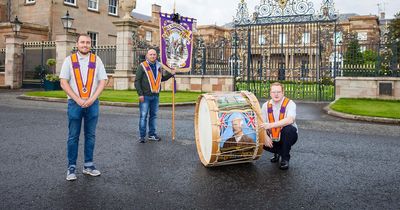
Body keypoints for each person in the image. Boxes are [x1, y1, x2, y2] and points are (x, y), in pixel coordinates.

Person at [59, 34, 108, 181]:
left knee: (90, 135)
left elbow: (103, 81)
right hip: (75, 103)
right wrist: (78, 99)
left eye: (88, 42)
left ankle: (88, 166)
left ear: (91, 44)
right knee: (73, 136)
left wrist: (92, 98)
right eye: (82, 42)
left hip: (93, 104)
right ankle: (71, 168)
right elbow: (63, 82)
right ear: (77, 44)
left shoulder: (96, 60)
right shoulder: (69, 60)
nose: (85, 45)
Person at [134, 49, 174, 143]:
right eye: (151, 54)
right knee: (143, 116)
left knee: (153, 116)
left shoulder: (159, 66)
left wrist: (170, 74)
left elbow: (161, 79)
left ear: (156, 56)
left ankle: (152, 135)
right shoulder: (142, 66)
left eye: (154, 54)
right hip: (145, 96)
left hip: (155, 96)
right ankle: (142, 136)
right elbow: (137, 81)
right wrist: (140, 94)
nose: (152, 56)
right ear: (147, 55)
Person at [260, 82, 298, 170]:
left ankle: (285, 158)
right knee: (259, 137)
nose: (276, 94)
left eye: (279, 92)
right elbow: (262, 124)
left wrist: (270, 125)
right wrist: (265, 136)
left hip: (288, 136)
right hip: (272, 136)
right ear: (270, 93)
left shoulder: (290, 103)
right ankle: (279, 152)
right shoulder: (265, 105)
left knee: (289, 130)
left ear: (283, 93)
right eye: (273, 92)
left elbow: (290, 120)